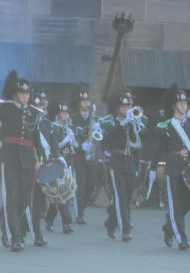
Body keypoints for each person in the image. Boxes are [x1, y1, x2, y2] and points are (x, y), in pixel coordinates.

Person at [0, 71, 40, 252]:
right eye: (22, 93)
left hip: (27, 159)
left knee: (23, 199)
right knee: (11, 198)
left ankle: (4, 216)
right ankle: (16, 237)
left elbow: (35, 136)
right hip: (10, 158)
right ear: (15, 94)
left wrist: (41, 158)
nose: (25, 96)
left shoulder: (32, 113)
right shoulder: (6, 108)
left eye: (27, 93)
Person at [101, 90, 145, 242]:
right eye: (124, 106)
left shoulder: (132, 122)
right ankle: (125, 229)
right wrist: (123, 123)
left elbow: (136, 144)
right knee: (120, 196)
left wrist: (134, 124)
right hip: (117, 161)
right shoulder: (112, 121)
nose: (127, 109)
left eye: (128, 106)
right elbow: (109, 136)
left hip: (130, 162)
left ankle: (110, 223)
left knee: (127, 198)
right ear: (118, 107)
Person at [154, 84, 190, 250]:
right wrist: (154, 169)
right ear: (174, 105)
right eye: (181, 103)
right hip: (174, 166)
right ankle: (182, 239)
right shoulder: (167, 124)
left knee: (185, 204)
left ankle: (168, 227)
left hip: (188, 167)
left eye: (186, 103)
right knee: (175, 204)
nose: (184, 105)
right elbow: (159, 145)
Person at [44, 101, 77, 236]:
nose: (65, 115)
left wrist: (74, 140)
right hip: (58, 161)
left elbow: (74, 145)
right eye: (63, 113)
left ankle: (49, 219)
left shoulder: (68, 127)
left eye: (67, 113)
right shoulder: (54, 127)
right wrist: (65, 141)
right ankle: (67, 223)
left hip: (68, 161)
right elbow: (54, 145)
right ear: (58, 114)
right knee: (61, 193)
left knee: (63, 194)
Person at [69, 84, 100, 224]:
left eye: (88, 101)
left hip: (91, 155)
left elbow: (100, 136)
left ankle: (82, 208)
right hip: (79, 155)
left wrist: (98, 130)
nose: (86, 103)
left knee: (91, 186)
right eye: (83, 101)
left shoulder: (94, 117)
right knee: (80, 185)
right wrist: (81, 145)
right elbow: (71, 135)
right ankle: (78, 214)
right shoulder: (74, 118)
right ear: (79, 103)